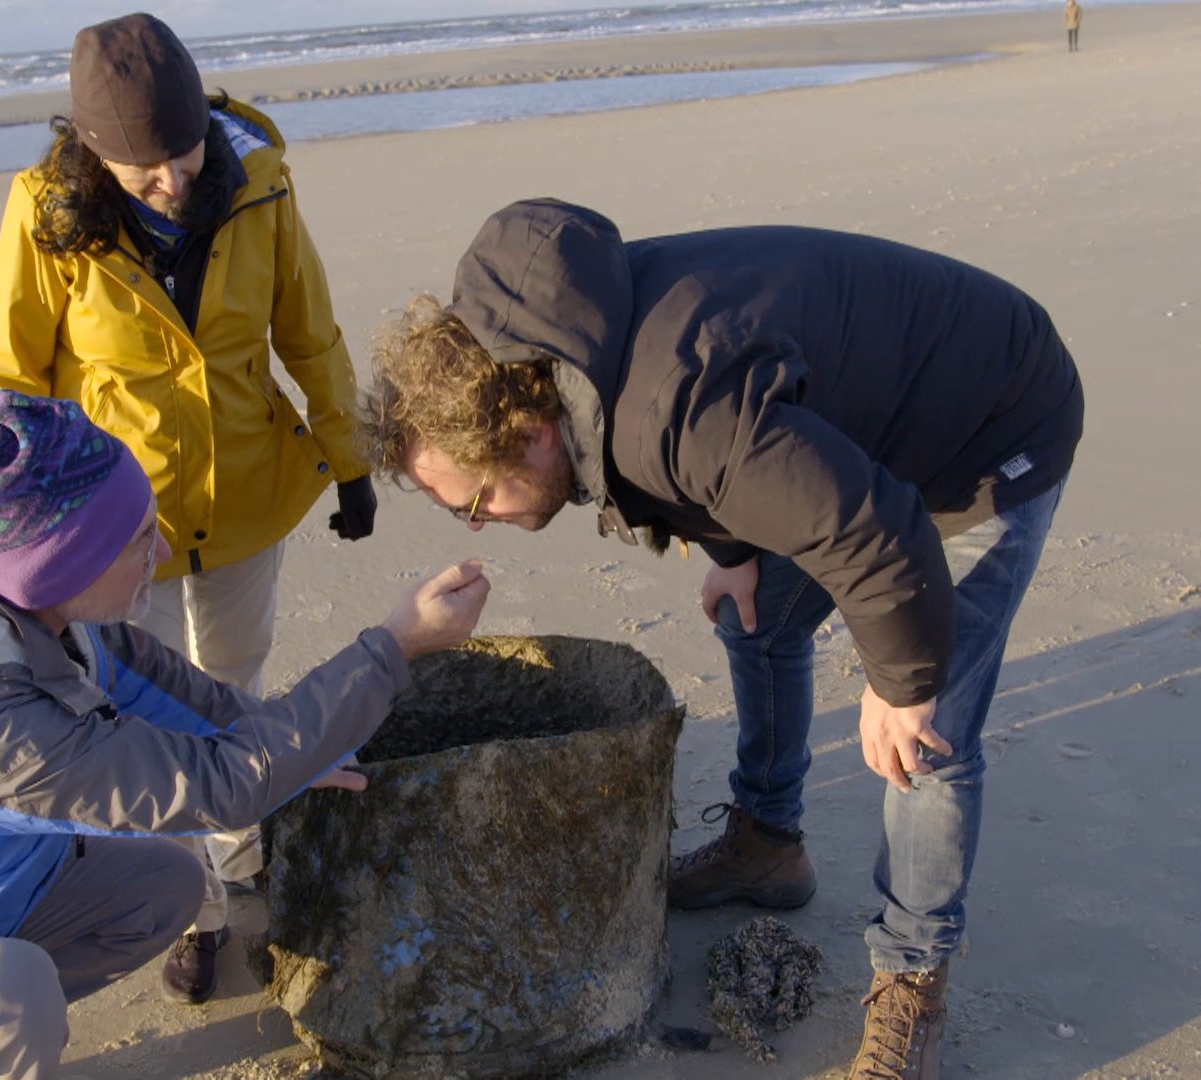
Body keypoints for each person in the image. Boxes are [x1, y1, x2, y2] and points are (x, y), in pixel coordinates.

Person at [359, 199, 1083, 1079]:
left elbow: (882, 535)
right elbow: (752, 443)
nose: (477, 525)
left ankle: (911, 976)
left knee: (925, 741)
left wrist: (899, 684)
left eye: (473, 501)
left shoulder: (674, 420)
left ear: (529, 431)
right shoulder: (570, 355)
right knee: (757, 616)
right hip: (857, 439)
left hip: (992, 427)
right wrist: (736, 548)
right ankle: (770, 844)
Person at [0, 391, 490, 1079]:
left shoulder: (7, 598)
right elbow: (218, 790)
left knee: (162, 890)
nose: (165, 548)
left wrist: (305, 750)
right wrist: (395, 645)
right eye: (137, 539)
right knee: (6, 1002)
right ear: (59, 568)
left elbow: (203, 713)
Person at [0, 13, 376, 1002]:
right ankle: (189, 906)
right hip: (113, 525)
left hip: (244, 492)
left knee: (233, 679)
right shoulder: (46, 214)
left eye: (186, 150)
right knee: (137, 708)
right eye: (143, 167)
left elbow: (309, 332)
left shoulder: (263, 181)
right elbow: (11, 381)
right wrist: (30, 529)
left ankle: (241, 859)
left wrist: (348, 459)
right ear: (93, 152)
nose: (174, 180)